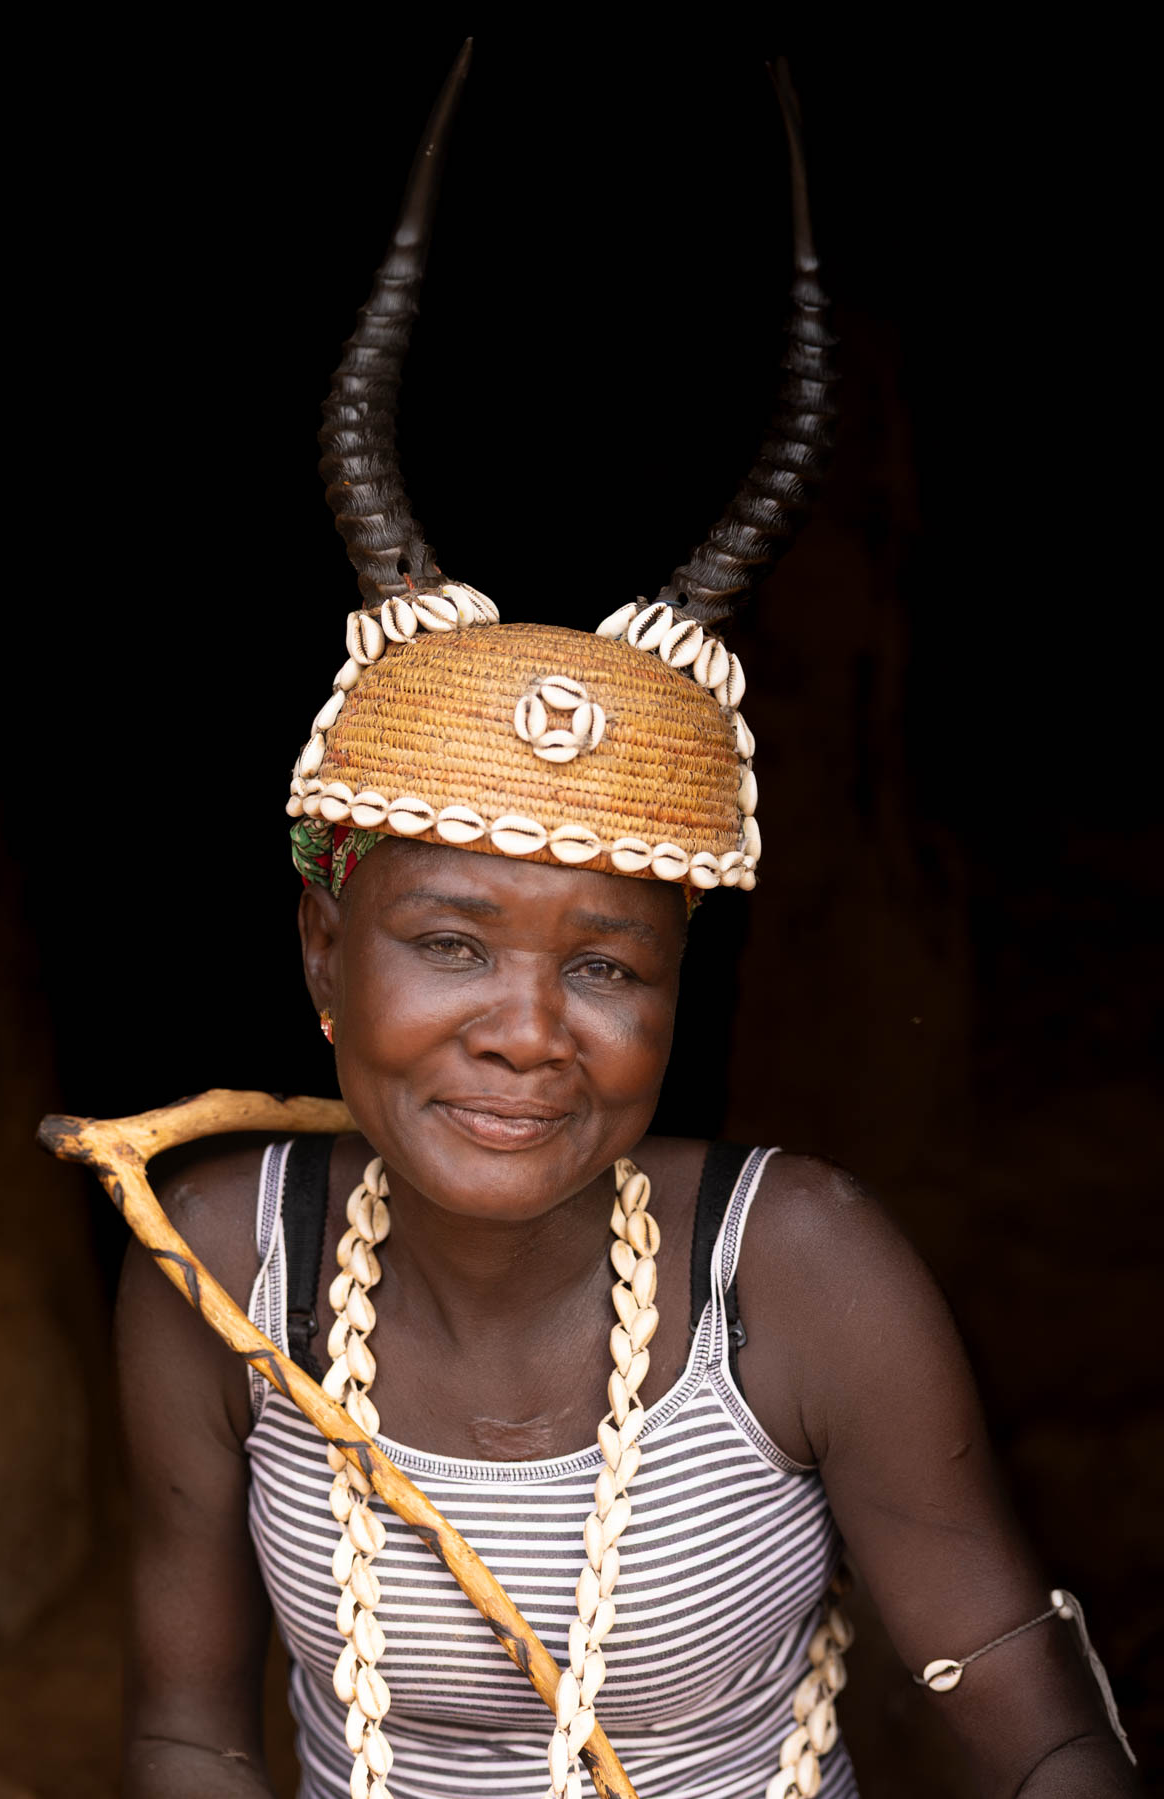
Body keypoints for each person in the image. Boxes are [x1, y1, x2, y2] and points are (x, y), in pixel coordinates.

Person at [112, 45, 1140, 1799]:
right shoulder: (223, 1278)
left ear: (673, 1002)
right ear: (319, 959)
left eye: (607, 967)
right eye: (448, 941)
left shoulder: (798, 1281)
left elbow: (1044, 1743)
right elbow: (191, 1733)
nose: (529, 1028)